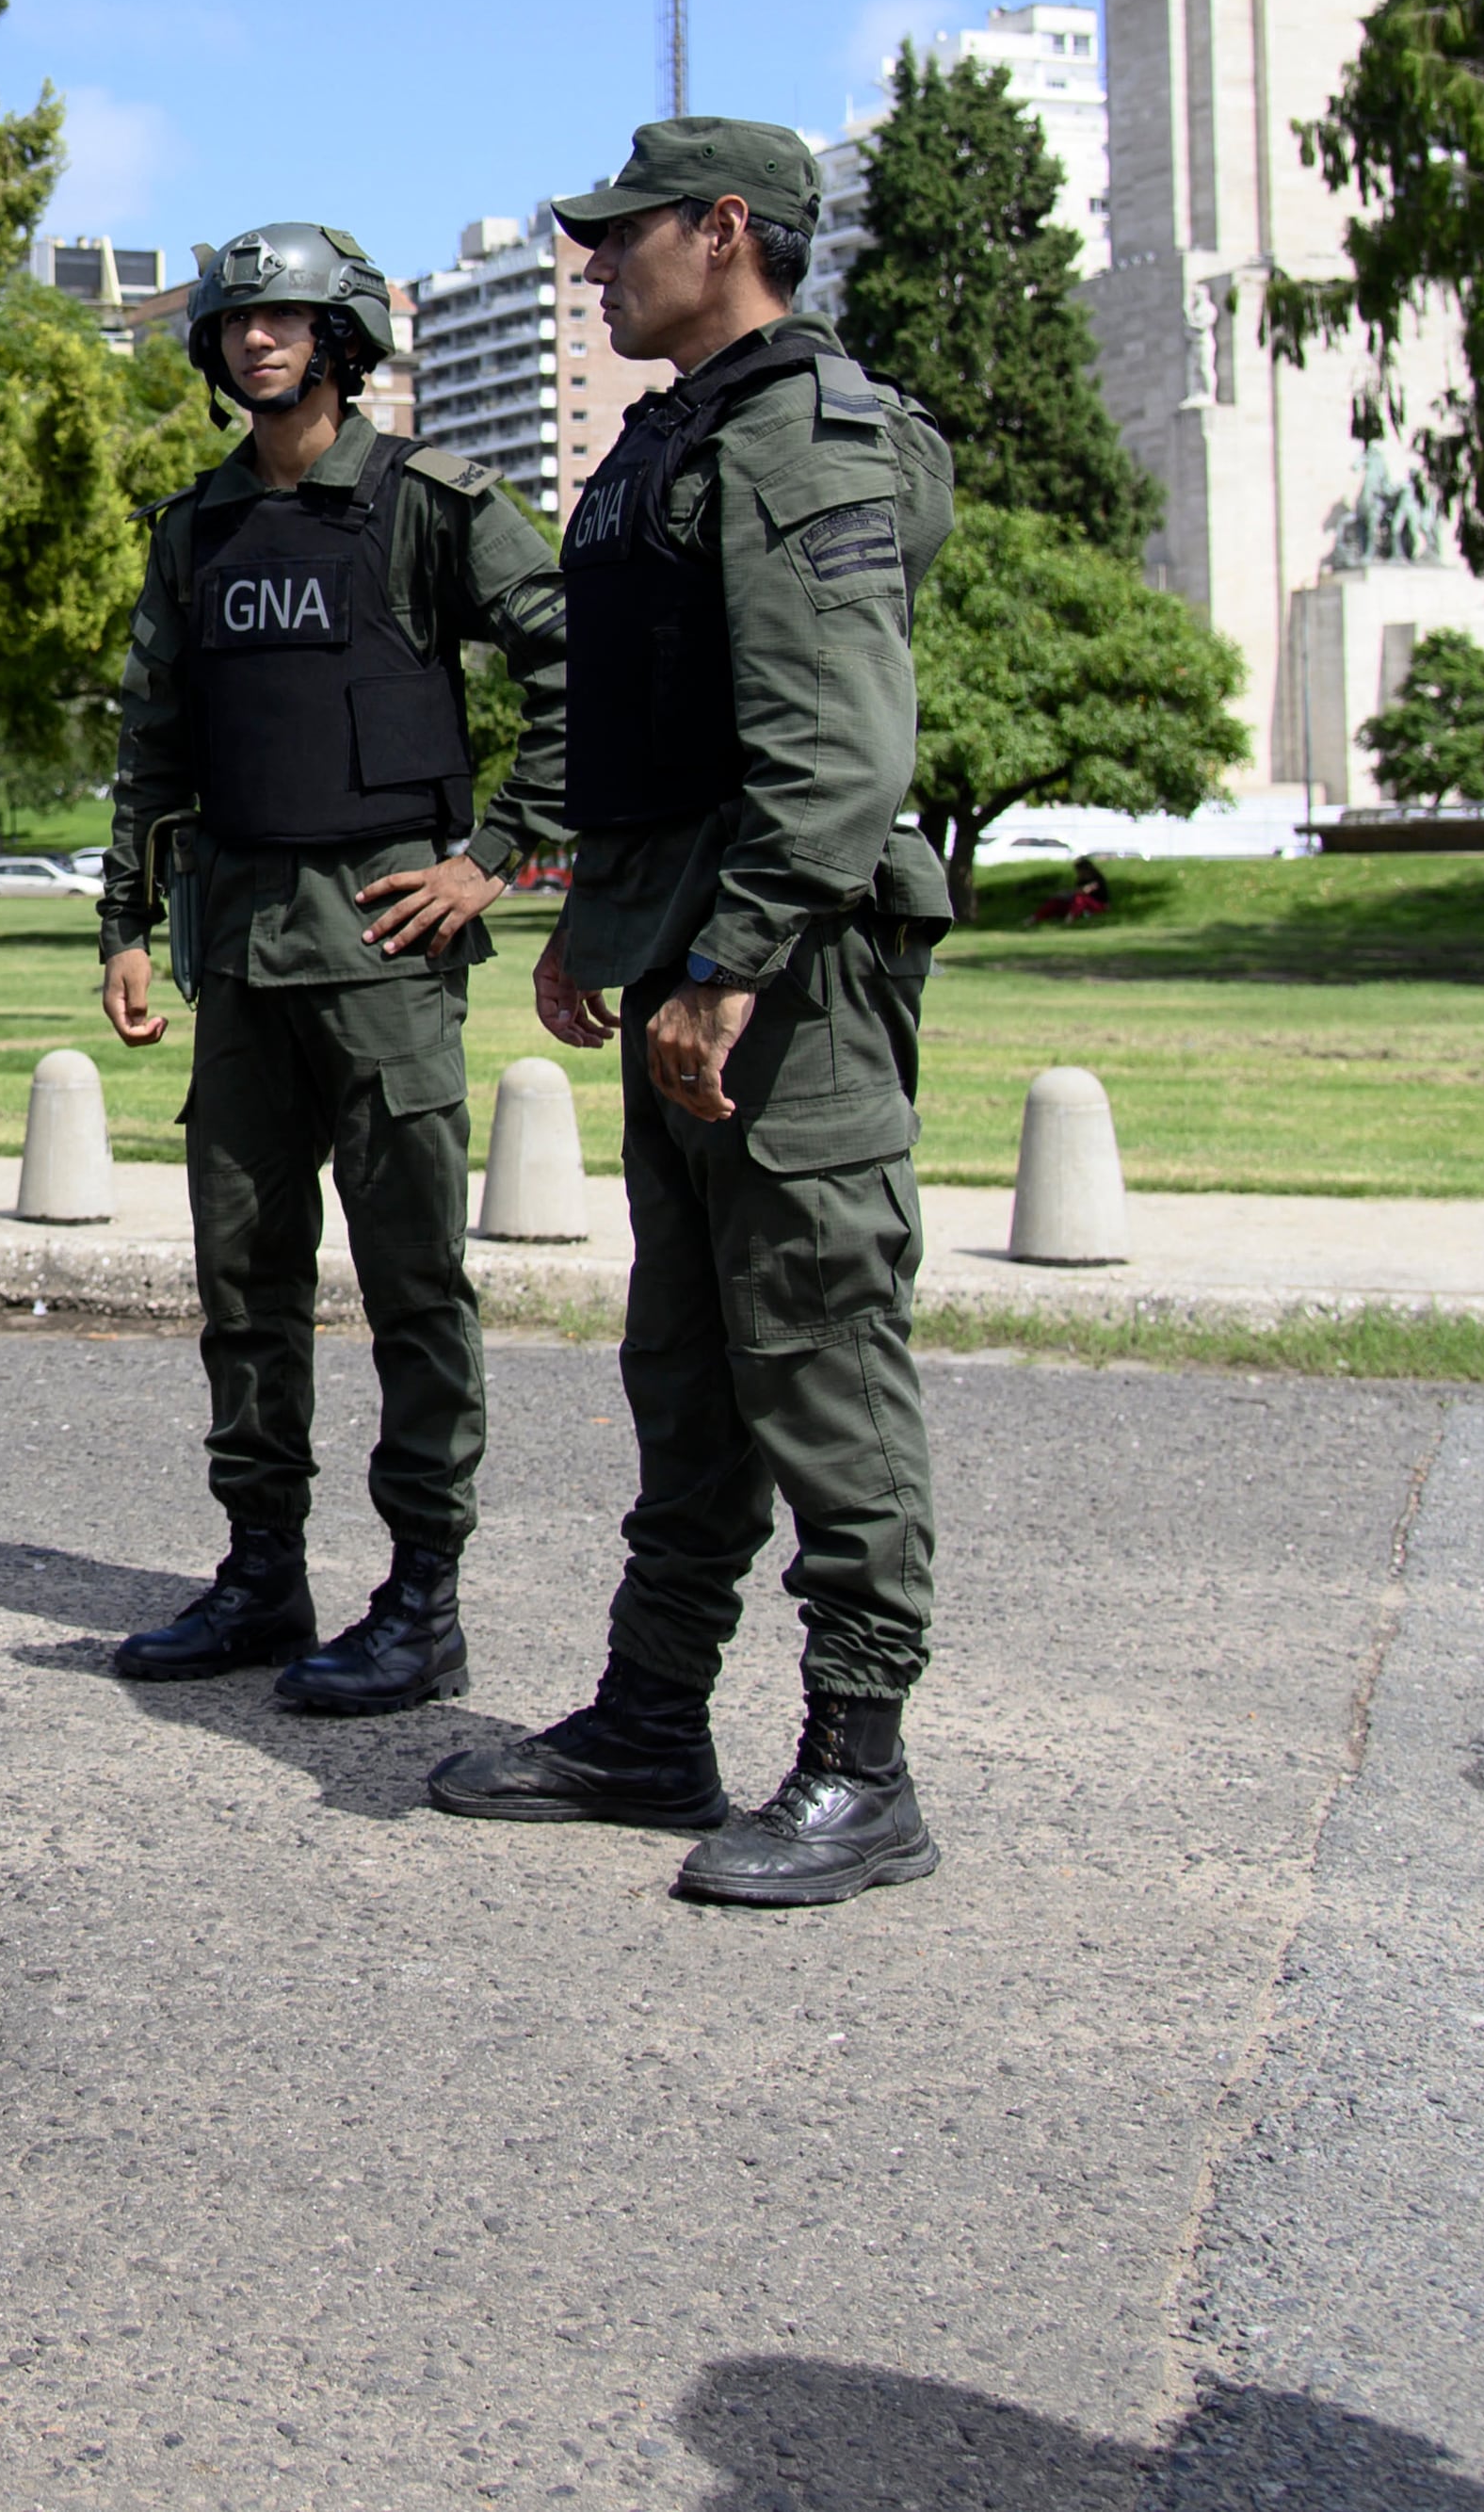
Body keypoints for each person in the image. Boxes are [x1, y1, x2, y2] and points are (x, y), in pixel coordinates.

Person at [424, 120, 959, 1906]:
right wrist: (600, 915)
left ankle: (863, 1763)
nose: (592, 266)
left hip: (788, 973)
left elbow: (836, 749)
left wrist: (728, 963)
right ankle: (654, 1717)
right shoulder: (677, 436)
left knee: (816, 1349)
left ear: (726, 230)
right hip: (687, 937)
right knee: (692, 1364)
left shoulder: (808, 431)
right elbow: (657, 706)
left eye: (622, 237)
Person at [93, 225, 570, 1710]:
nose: (255, 338)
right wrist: (121, 921)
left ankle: (424, 1599)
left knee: (414, 1280)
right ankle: (260, 1574)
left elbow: (582, 669)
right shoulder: (193, 530)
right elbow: (153, 741)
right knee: (243, 1277)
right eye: (236, 318)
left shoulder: (429, 505)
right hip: (237, 950)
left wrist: (497, 857)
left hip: (384, 948)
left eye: (287, 317)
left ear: (345, 336)